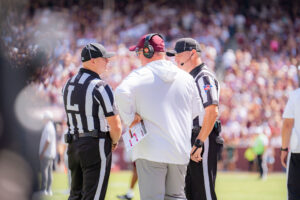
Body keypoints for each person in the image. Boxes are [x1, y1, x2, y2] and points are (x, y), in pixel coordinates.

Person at [115, 33, 202, 200]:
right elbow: (196, 111)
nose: (138, 56)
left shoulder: (140, 74)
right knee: (176, 197)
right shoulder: (186, 77)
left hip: (150, 149)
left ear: (147, 51)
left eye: (139, 52)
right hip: (178, 149)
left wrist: (130, 118)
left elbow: (120, 91)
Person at [62, 43, 122, 200]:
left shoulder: (67, 84)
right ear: (93, 60)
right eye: (105, 59)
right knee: (93, 196)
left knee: (75, 195)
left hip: (73, 144)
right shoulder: (100, 86)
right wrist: (114, 141)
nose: (108, 62)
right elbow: (115, 124)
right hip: (95, 144)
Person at [167, 38, 223, 200]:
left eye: (178, 55)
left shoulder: (203, 76)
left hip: (201, 138)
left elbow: (212, 111)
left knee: (204, 191)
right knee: (190, 192)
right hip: (190, 138)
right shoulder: (189, 77)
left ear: (192, 54)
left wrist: (199, 142)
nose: (175, 59)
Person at [281, 65, 300, 200]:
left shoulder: (295, 95)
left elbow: (287, 125)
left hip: (297, 152)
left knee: (294, 193)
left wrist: (283, 149)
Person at [38, 111, 56, 196]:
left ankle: (44, 189)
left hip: (47, 153)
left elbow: (47, 141)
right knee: (49, 172)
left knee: (44, 171)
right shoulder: (51, 126)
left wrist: (42, 152)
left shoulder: (48, 127)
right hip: (50, 153)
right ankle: (48, 190)